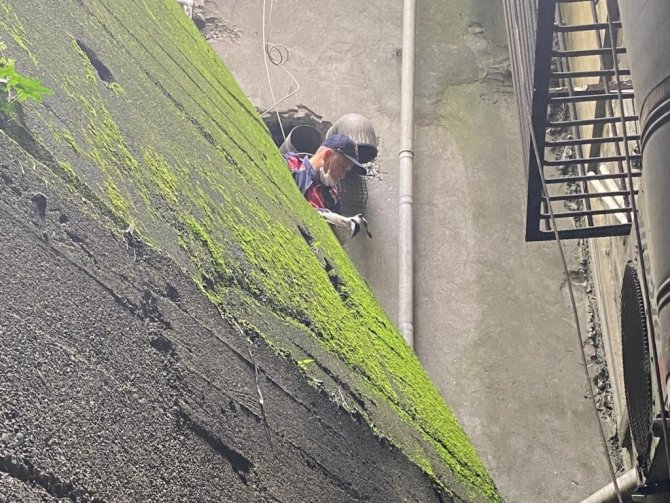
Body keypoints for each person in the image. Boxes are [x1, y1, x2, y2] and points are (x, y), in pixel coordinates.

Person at [284, 133, 371, 242]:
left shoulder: (332, 198)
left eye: (347, 171)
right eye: (342, 166)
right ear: (327, 155)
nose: (342, 175)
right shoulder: (293, 164)